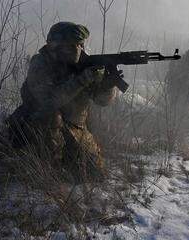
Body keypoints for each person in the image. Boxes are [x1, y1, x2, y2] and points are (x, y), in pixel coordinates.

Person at [8, 22, 117, 181]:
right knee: (52, 116)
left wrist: (107, 85)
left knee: (96, 175)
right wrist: (82, 80)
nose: (78, 49)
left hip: (75, 129)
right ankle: (46, 171)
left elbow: (102, 101)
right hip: (39, 127)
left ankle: (67, 164)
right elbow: (50, 101)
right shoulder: (40, 63)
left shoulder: (84, 64)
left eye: (80, 44)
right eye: (72, 45)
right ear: (55, 46)